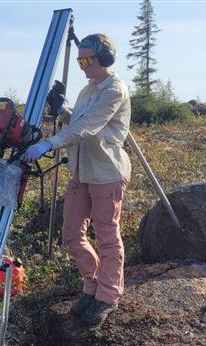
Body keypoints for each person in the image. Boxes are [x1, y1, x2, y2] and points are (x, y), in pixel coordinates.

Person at [23, 33, 132, 325]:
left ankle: (108, 296)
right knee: (72, 234)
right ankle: (92, 284)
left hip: (106, 173)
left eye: (87, 60)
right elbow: (77, 120)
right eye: (79, 59)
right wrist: (61, 112)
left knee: (108, 237)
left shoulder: (114, 90)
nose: (82, 65)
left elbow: (88, 127)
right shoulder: (88, 89)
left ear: (105, 59)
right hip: (81, 172)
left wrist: (49, 144)